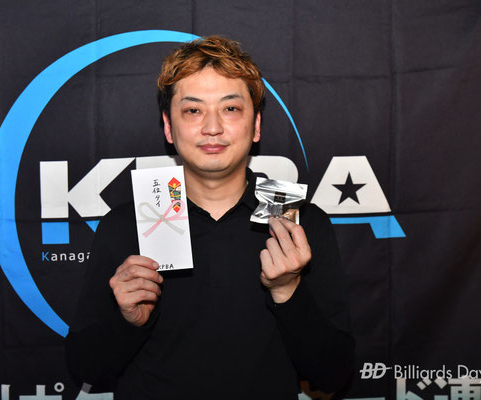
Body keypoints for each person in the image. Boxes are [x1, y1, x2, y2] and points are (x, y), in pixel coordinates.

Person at [65, 35, 355, 399]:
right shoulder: (125, 224)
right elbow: (86, 369)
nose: (212, 127)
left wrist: (287, 291)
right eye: (193, 110)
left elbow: (334, 374)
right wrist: (128, 322)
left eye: (230, 108)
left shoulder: (299, 221)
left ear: (256, 125)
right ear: (168, 127)